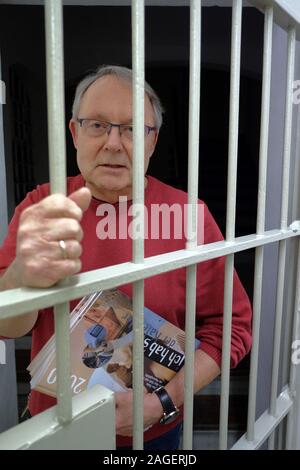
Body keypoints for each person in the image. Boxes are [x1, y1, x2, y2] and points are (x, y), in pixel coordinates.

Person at [0, 65, 252, 450]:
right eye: (97, 125)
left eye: (134, 129)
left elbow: (232, 329)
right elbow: (8, 327)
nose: (115, 143)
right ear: (74, 133)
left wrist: (161, 403)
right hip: (55, 426)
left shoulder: (190, 217)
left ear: (153, 141)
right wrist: (22, 277)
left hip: (153, 433)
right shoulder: (42, 206)